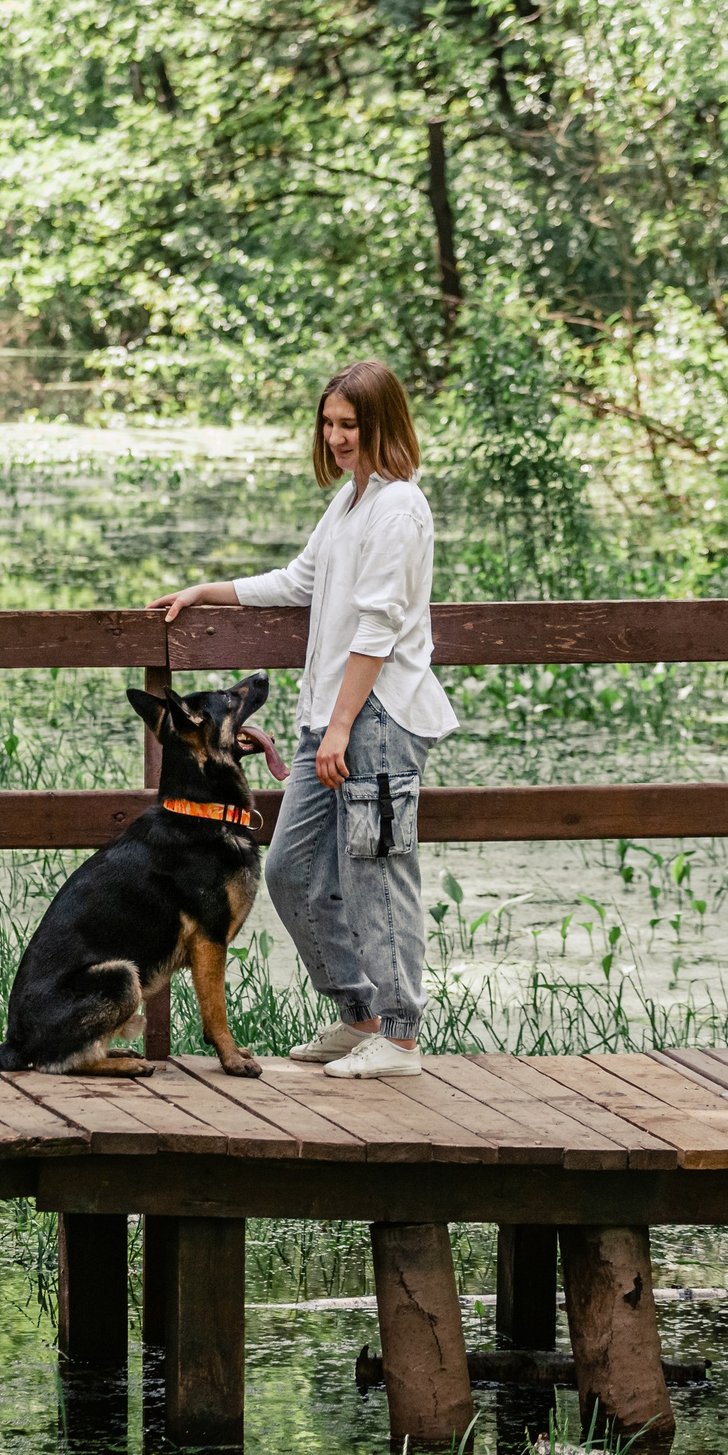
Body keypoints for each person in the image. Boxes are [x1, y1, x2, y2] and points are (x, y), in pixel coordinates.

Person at [151, 359, 458, 1078]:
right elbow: (299, 581)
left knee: (380, 874)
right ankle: (360, 1016)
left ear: (382, 424)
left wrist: (345, 726)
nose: (337, 436)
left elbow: (378, 631)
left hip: (375, 721)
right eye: (329, 423)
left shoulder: (400, 508)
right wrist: (206, 591)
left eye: (350, 425)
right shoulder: (351, 503)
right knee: (288, 871)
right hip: (331, 720)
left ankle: (402, 1037)